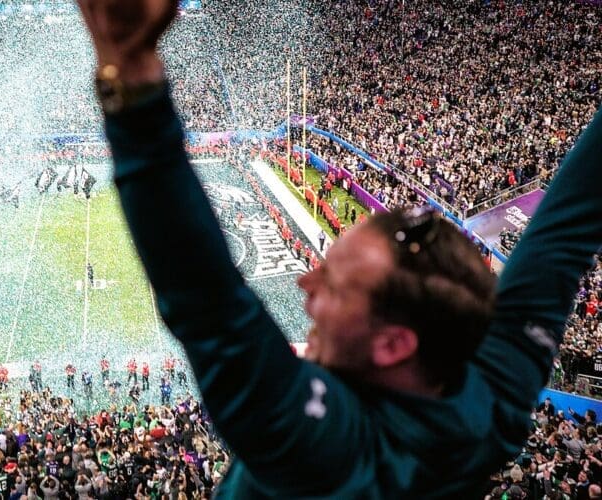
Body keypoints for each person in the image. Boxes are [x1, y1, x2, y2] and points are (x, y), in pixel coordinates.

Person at [77, 4, 602, 496]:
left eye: (333, 283)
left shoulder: (326, 453)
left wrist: (130, 66)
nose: (306, 282)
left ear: (393, 344)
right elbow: (564, 227)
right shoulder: (491, 402)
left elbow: (204, 294)